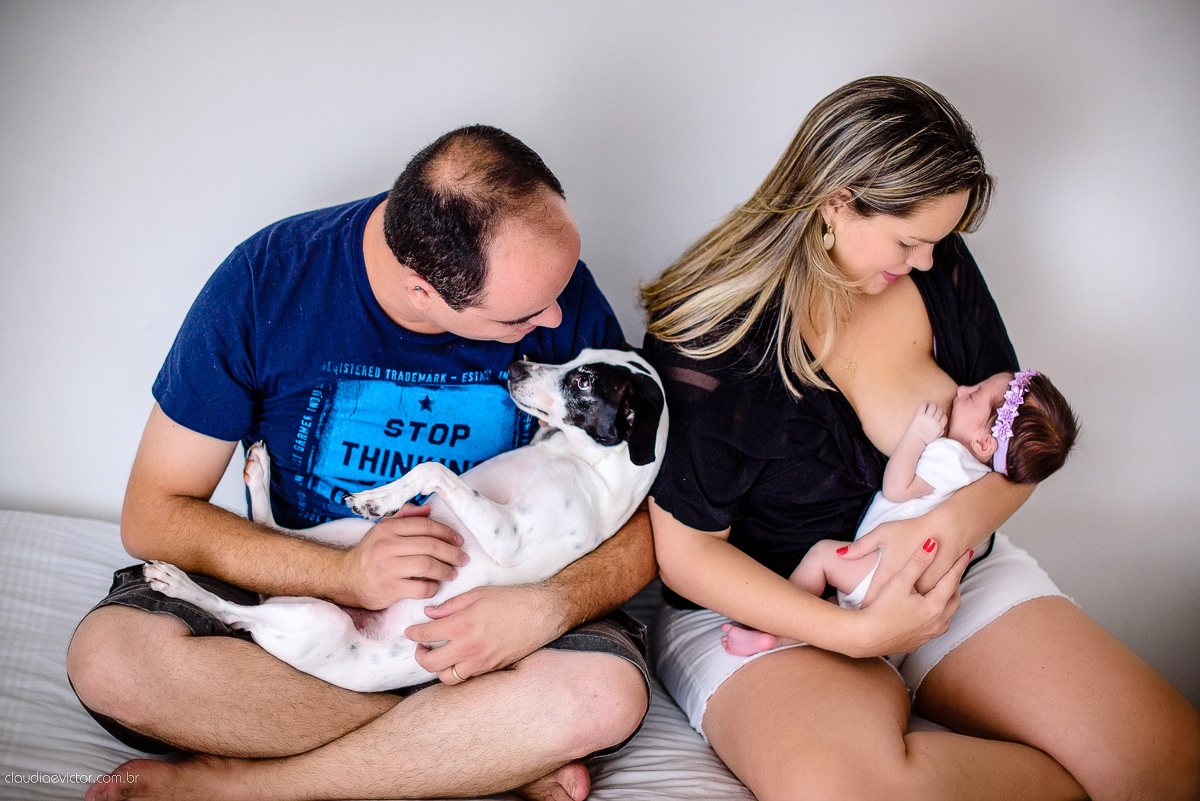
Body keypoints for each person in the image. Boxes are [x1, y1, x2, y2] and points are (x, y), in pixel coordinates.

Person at [640, 76, 1200, 801]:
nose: (930, 261)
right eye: (911, 240)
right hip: (772, 606)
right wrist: (854, 635)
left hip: (952, 569)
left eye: (939, 241)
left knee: (1168, 759)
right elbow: (686, 554)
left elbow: (1015, 448)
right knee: (849, 791)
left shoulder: (939, 271)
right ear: (836, 202)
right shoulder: (712, 336)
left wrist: (943, 529)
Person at [66, 125, 656, 801]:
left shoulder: (557, 292)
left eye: (561, 289)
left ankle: (246, 787)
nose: (558, 314)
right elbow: (154, 514)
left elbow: (648, 521)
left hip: (497, 616)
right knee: (111, 662)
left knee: (601, 697)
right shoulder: (266, 283)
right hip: (309, 590)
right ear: (422, 295)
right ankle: (477, 753)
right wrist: (342, 573)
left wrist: (545, 608)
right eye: (521, 316)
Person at [722, 368, 1079, 656]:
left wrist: (917, 436)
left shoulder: (951, 458)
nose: (960, 389)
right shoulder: (982, 482)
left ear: (985, 442)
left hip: (881, 570)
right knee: (834, 606)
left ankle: (775, 627)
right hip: (906, 588)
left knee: (821, 557)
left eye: (973, 396)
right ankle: (778, 642)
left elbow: (896, 488)